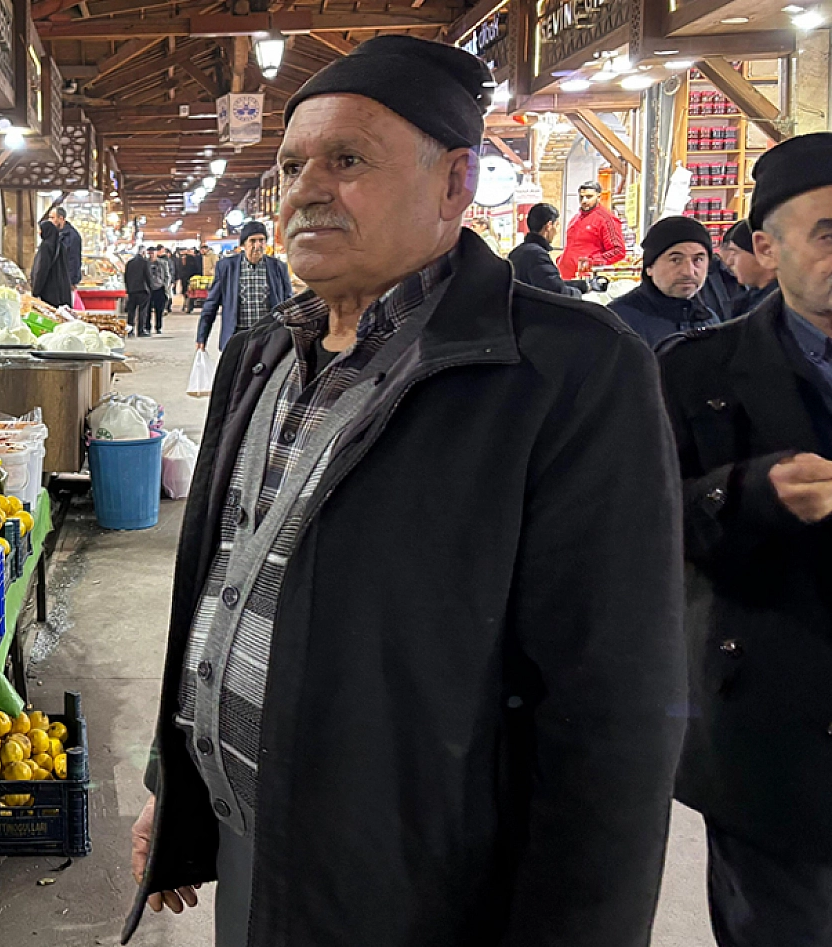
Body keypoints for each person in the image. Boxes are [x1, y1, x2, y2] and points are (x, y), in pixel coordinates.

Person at [129, 35, 684, 947]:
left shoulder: (567, 371)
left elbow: (611, 713)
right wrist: (179, 783)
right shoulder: (262, 355)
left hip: (423, 890)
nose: (306, 191)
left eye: (347, 161)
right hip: (256, 848)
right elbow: (224, 584)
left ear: (456, 183)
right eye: (292, 166)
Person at [656, 131, 832, 947]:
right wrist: (750, 493)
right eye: (828, 232)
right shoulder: (694, 372)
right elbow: (648, 526)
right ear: (766, 248)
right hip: (767, 730)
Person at [608, 216, 721, 348]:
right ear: (649, 267)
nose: (688, 272)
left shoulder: (709, 319)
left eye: (698, 260)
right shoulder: (618, 323)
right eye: (675, 260)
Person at [194, 221, 292, 349]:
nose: (258, 245)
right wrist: (202, 336)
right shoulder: (227, 267)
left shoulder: (278, 267)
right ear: (243, 244)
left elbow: (289, 303)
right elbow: (211, 304)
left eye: (261, 240)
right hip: (238, 336)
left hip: (269, 336)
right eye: (252, 241)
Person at [507, 203, 593, 297]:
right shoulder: (537, 255)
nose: (556, 231)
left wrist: (582, 286)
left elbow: (547, 281)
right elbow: (557, 291)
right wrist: (580, 294)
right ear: (549, 225)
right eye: (556, 225)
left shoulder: (516, 252)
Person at [558, 180, 628, 278]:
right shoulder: (575, 218)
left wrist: (592, 262)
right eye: (581, 197)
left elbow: (618, 251)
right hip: (565, 277)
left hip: (586, 278)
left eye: (589, 197)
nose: (584, 201)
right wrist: (561, 260)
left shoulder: (606, 219)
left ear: (599, 197)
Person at [30, 219, 71, 308]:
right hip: (62, 291)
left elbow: (41, 269)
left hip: (49, 291)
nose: (39, 232)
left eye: (40, 230)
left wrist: (35, 291)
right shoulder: (60, 245)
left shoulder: (45, 247)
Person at [47, 204, 83, 296]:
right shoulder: (54, 234)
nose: (50, 221)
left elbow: (74, 261)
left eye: (52, 218)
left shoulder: (72, 236)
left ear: (61, 218)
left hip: (65, 282)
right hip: (53, 282)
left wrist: (71, 282)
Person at [123, 248, 153, 336]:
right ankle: (141, 330)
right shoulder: (145, 263)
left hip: (132, 290)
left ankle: (130, 330)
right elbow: (148, 276)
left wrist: (128, 288)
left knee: (131, 311)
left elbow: (126, 277)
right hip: (143, 290)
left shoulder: (129, 263)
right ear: (143, 253)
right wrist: (150, 288)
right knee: (142, 311)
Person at [148, 247, 174, 335]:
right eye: (150, 253)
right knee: (147, 310)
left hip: (160, 289)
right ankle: (147, 327)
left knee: (159, 310)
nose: (151, 255)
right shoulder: (146, 263)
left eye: (153, 253)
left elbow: (167, 275)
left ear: (156, 253)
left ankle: (158, 327)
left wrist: (165, 286)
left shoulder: (163, 263)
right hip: (149, 289)